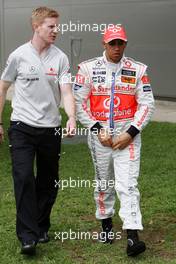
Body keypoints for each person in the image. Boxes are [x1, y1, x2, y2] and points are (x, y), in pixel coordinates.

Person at [74, 24, 155, 256]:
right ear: (104, 44)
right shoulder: (87, 68)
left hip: (126, 135)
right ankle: (106, 225)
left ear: (125, 44)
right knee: (104, 182)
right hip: (100, 136)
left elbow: (147, 104)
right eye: (113, 43)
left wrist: (130, 132)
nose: (117, 47)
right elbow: (80, 103)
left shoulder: (138, 69)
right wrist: (98, 128)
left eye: (121, 43)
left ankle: (132, 236)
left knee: (128, 184)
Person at [0, 6, 76, 255]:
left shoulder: (61, 58)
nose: (56, 30)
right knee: (23, 179)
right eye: (51, 26)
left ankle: (42, 225)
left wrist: (72, 118)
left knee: (48, 181)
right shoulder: (18, 56)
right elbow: (2, 88)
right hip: (21, 127)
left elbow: (66, 91)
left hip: (50, 129)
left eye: (57, 26)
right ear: (36, 26)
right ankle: (27, 236)